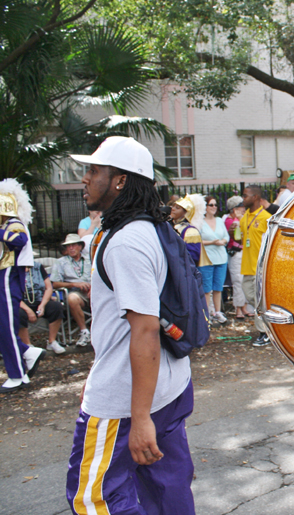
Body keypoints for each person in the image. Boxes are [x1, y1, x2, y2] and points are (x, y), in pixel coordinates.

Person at [66, 136, 195, 513]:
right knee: (167, 489)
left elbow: (144, 329)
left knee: (94, 499)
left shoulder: (126, 241)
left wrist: (139, 419)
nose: (85, 178)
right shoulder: (150, 227)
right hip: (170, 385)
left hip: (127, 397)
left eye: (93, 170)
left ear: (120, 180)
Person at [0, 179, 46, 393]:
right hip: (4, 278)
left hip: (8, 277)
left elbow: (19, 240)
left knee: (7, 328)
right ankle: (27, 353)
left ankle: (18, 374)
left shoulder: (13, 223)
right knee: (3, 328)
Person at [240, 185, 272, 346]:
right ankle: (270, 326)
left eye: (246, 196)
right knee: (250, 296)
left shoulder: (266, 218)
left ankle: (264, 333)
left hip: (260, 267)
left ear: (256, 198)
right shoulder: (244, 217)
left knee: (259, 301)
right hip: (247, 266)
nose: (243, 198)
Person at [50, 233, 92, 347]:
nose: (71, 248)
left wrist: (93, 287)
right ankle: (84, 332)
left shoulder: (90, 259)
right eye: (68, 246)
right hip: (76, 293)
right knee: (72, 298)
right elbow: (54, 283)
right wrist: (73, 284)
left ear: (80, 246)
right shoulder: (60, 262)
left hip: (93, 290)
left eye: (74, 245)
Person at [19, 260, 65, 354]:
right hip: (21, 303)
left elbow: (48, 288)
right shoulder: (12, 269)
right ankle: (27, 345)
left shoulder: (38, 266)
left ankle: (52, 341)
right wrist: (28, 310)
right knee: (18, 314)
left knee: (56, 307)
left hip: (40, 300)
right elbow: (11, 293)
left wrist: (42, 305)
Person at [199, 195, 230, 324]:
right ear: (204, 207)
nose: (214, 207)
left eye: (215, 205)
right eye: (211, 205)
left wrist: (222, 241)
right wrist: (212, 242)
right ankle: (207, 314)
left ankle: (217, 312)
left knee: (218, 287)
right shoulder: (199, 222)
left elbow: (226, 237)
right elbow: (197, 240)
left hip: (221, 258)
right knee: (207, 288)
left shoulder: (219, 220)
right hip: (207, 258)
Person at [225, 196, 252, 319]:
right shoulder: (230, 221)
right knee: (237, 281)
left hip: (244, 252)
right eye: (240, 206)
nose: (243, 209)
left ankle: (245, 306)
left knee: (246, 279)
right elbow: (238, 235)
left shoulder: (243, 219)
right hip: (235, 253)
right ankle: (238, 308)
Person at [170, 194, 211, 267]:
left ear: (186, 212)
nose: (173, 209)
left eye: (177, 208)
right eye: (173, 206)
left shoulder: (191, 230)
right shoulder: (170, 225)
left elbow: (192, 257)